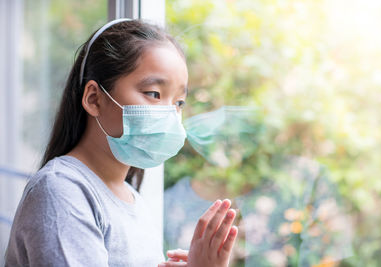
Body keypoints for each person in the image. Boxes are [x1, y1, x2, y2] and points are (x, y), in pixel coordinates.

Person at [4, 18, 238, 267]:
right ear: (94, 99)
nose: (170, 114)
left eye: (178, 103)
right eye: (153, 94)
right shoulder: (61, 191)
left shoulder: (133, 199)